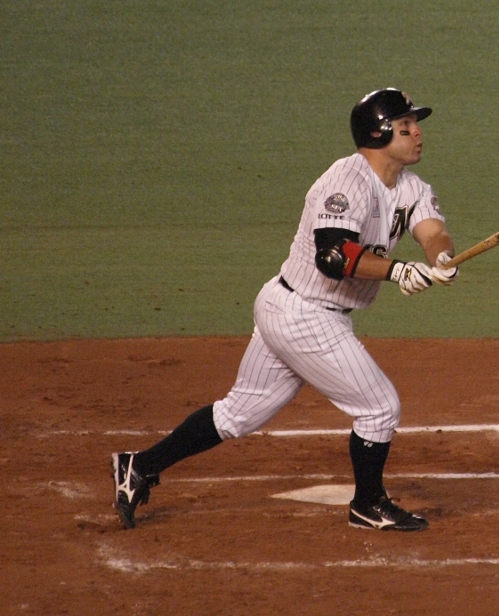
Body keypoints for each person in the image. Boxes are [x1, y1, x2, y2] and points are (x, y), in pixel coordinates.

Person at [111, 88, 459, 532]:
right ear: (379, 132)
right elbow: (332, 256)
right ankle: (367, 503)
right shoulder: (346, 181)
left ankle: (138, 466)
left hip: (293, 308)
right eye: (406, 125)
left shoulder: (411, 187)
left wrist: (440, 258)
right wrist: (397, 272)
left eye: (416, 123)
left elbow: (432, 232)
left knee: (239, 414)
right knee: (380, 408)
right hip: (303, 312)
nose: (417, 132)